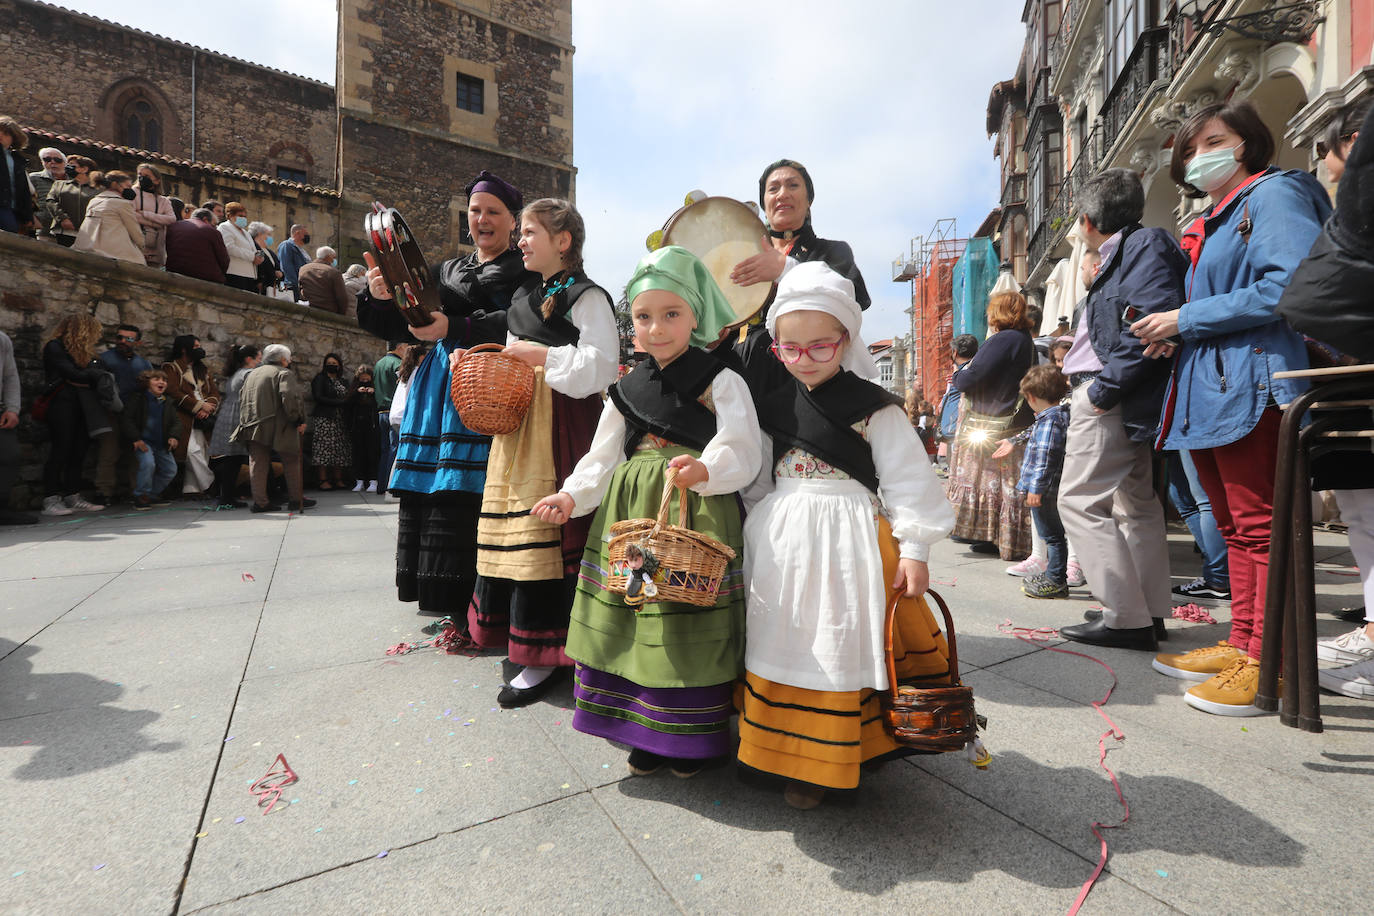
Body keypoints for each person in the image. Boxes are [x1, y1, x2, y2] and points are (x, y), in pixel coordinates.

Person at [1132, 101, 1332, 713]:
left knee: (1259, 527)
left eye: (1212, 141)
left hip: (1252, 383)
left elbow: (1289, 284)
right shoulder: (1219, 216)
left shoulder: (1271, 195)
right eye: (1189, 150)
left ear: (1246, 143)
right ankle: (1244, 642)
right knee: (1236, 529)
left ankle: (1267, 663)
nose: (1198, 157)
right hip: (1215, 388)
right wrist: (1178, 330)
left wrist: (1185, 317)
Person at [530, 246, 758, 774]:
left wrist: (709, 469)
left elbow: (744, 444)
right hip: (631, 511)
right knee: (636, 610)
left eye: (671, 314)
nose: (656, 328)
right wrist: (572, 495)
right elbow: (604, 453)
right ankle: (638, 727)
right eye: (643, 316)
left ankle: (686, 737)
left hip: (693, 507)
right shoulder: (626, 389)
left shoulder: (721, 380)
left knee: (681, 610)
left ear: (696, 316)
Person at [737, 261, 955, 809]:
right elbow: (760, 482)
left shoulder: (874, 408)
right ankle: (786, 753)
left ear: (844, 339)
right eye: (791, 348)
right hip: (784, 542)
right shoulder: (772, 407)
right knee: (785, 639)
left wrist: (916, 549)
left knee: (841, 640)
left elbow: (907, 478)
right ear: (776, 347)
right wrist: (758, 537)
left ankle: (840, 755)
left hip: (852, 542)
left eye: (820, 347)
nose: (805, 359)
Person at [358, 170, 532, 617]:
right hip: (437, 389)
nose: (482, 219)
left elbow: (522, 323)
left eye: (493, 211)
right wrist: (381, 296)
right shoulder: (447, 268)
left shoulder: (525, 272)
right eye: (475, 211)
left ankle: (478, 602)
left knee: (476, 489)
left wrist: (455, 326)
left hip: (488, 384)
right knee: (435, 486)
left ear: (513, 221)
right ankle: (440, 595)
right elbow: (403, 323)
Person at [467, 197, 618, 708]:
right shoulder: (526, 291)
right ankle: (524, 642)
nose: (521, 239)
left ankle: (549, 654)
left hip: (563, 423)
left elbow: (602, 367)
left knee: (548, 531)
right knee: (515, 524)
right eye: (523, 232)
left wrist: (542, 356)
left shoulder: (585, 293)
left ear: (564, 241)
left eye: (531, 231)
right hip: (521, 419)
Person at [1054, 168, 1186, 652]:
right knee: (1136, 505)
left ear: (1087, 220)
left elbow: (1149, 327)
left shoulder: (1140, 247)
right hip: (1120, 394)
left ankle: (1127, 615)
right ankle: (1143, 610)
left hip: (1110, 394)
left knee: (1079, 500)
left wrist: (1100, 391)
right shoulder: (1133, 249)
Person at [1277, 99, 1374, 698]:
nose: (1326, 166)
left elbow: (1303, 293)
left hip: (1352, 370)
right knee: (1363, 511)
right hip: (1348, 376)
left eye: (1329, 150)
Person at [728, 159, 870, 396]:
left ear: (809, 199)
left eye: (792, 185)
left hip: (806, 381)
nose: (782, 193)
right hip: (743, 378)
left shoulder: (833, 251)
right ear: (764, 201)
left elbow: (853, 298)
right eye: (773, 188)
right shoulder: (743, 256)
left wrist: (787, 268)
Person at [945, 290, 1035, 559]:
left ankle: (994, 537)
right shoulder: (1024, 341)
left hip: (992, 421)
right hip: (1011, 421)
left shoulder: (1004, 339)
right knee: (1001, 485)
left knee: (991, 480)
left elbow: (969, 378)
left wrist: (959, 375)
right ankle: (998, 536)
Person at [232, 344, 314, 513]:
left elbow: (242, 398)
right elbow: (290, 398)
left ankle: (260, 502)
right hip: (278, 425)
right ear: (283, 360)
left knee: (258, 463)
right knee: (291, 460)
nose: (290, 361)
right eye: (289, 358)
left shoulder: (252, 374)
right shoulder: (284, 373)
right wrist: (298, 419)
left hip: (252, 424)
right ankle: (295, 500)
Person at [40, 315, 109, 515]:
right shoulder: (55, 347)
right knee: (61, 449)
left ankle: (73, 495)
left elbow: (101, 370)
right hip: (62, 404)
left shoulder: (87, 353)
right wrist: (92, 375)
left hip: (83, 405)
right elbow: (73, 373)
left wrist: (91, 374)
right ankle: (51, 498)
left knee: (79, 450)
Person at [1014, 365, 1071, 599]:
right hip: (1047, 487)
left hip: (1046, 490)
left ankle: (1056, 580)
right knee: (1052, 534)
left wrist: (1035, 489)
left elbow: (1046, 456)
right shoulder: (1053, 416)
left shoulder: (1050, 421)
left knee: (1052, 535)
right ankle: (1053, 575)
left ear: (1032, 397)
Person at [94, 324, 152, 505]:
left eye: (128, 339)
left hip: (134, 417)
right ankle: (104, 493)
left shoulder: (143, 364)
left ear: (138, 342)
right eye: (119, 337)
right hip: (109, 413)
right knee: (108, 453)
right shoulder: (104, 359)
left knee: (136, 455)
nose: (122, 342)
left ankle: (137, 492)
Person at [163, 335, 219, 498]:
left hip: (203, 418)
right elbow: (173, 391)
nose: (199, 349)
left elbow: (214, 392)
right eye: (195, 346)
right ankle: (210, 483)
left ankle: (192, 489)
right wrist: (198, 406)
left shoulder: (202, 370)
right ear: (183, 349)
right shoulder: (171, 368)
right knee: (191, 451)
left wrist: (207, 408)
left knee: (202, 451)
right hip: (184, 416)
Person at [208, 344, 261, 510]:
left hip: (229, 415)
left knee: (234, 459)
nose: (260, 362)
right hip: (240, 416)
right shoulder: (249, 373)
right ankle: (269, 495)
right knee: (256, 455)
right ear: (248, 359)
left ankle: (227, 496)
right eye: (258, 358)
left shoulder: (236, 374)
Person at [121, 369, 182, 510]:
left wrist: (174, 436)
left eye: (164, 380)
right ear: (146, 383)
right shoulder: (137, 399)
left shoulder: (167, 402)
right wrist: (136, 438)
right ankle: (141, 495)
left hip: (161, 443)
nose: (161, 382)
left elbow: (176, 422)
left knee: (170, 470)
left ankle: (152, 494)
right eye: (156, 379)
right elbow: (127, 420)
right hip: (144, 443)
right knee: (148, 464)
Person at [0, 330, 36, 524]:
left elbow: (10, 376)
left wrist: (13, 408)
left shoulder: (2, 340)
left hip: (1, 412)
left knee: (9, 456)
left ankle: (2, 508)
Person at [72, 171, 144, 263]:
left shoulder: (94, 201)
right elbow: (134, 231)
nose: (130, 190)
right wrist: (142, 246)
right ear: (115, 184)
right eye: (128, 186)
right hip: (113, 252)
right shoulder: (122, 203)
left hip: (85, 246)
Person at [309, 353, 352, 490]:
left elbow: (348, 396)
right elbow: (318, 396)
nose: (332, 366)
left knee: (339, 449)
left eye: (335, 363)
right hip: (325, 419)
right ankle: (323, 480)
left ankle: (338, 478)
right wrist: (339, 403)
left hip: (340, 420)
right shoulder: (320, 379)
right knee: (323, 449)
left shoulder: (343, 381)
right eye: (329, 363)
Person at [936, 334, 978, 467]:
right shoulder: (973, 370)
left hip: (958, 430)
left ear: (954, 353)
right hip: (961, 429)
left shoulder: (964, 373)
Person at [371, 341, 406, 495]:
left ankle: (382, 485)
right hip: (394, 412)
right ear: (399, 347)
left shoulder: (379, 364)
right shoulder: (398, 364)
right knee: (394, 449)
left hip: (380, 413)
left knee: (385, 450)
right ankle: (391, 486)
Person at [165, 208, 230, 283]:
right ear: (205, 219)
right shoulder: (211, 231)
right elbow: (224, 259)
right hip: (205, 277)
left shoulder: (174, 226)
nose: (215, 227)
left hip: (173, 270)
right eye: (214, 224)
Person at [45, 155, 97, 247]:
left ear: (84, 169)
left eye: (73, 165)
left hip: (87, 234)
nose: (68, 167)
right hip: (62, 232)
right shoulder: (59, 184)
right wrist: (63, 218)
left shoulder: (97, 190)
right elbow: (51, 201)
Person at [131, 163, 175, 268]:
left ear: (157, 180)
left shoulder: (163, 201)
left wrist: (146, 214)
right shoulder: (132, 193)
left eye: (147, 176)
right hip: (134, 245)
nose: (142, 178)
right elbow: (131, 215)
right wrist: (158, 222)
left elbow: (171, 219)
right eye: (140, 175)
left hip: (155, 249)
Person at [347, 364, 379, 492]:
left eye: (367, 379)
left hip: (372, 425)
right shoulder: (354, 390)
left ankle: (373, 480)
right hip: (358, 425)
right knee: (358, 454)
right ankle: (359, 480)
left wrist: (374, 393)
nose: (365, 382)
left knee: (373, 453)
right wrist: (356, 393)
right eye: (362, 379)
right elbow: (347, 404)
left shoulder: (376, 388)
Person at [0, 117, 35, 234]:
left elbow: (23, 189)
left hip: (9, 208)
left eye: (6, 133)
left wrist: (27, 216)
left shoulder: (17, 161)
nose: (1, 135)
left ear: (13, 139)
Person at [218, 202, 263, 293]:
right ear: (230, 216)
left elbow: (252, 249)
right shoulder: (225, 227)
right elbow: (229, 248)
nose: (243, 218)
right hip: (234, 273)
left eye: (245, 216)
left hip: (249, 274)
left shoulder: (245, 233)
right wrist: (252, 256)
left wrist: (258, 257)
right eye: (240, 216)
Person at [298, 246, 351, 314]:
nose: (335, 260)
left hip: (308, 308)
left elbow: (300, 288)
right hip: (329, 310)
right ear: (328, 257)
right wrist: (341, 314)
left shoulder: (303, 269)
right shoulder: (333, 272)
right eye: (334, 258)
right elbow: (342, 297)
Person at [27, 147, 66, 240]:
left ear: (64, 163)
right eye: (47, 159)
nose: (52, 162)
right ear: (42, 162)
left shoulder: (71, 182)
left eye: (57, 160)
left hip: (65, 231)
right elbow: (25, 200)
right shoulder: (34, 178)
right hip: (41, 228)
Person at [277, 224, 311, 301]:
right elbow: (286, 267)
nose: (307, 236)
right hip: (293, 288)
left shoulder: (302, 250)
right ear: (297, 233)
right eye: (305, 234)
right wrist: (295, 285)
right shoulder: (287, 245)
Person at [250, 222, 282, 295]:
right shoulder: (256, 248)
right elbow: (259, 265)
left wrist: (280, 273)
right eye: (268, 234)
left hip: (273, 289)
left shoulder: (270, 252)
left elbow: (278, 267)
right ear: (259, 234)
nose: (271, 237)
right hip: (260, 288)